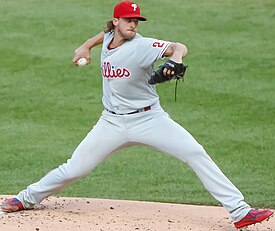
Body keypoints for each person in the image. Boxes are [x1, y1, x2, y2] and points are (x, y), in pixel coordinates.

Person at [1, 1, 273, 229]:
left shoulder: (143, 46)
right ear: (116, 22)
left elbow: (178, 46)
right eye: (128, 20)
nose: (133, 25)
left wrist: (176, 59)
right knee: (75, 168)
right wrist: (84, 47)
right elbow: (100, 37)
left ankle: (239, 211)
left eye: (136, 21)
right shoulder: (109, 37)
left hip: (149, 120)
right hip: (111, 122)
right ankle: (26, 198)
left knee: (195, 152)